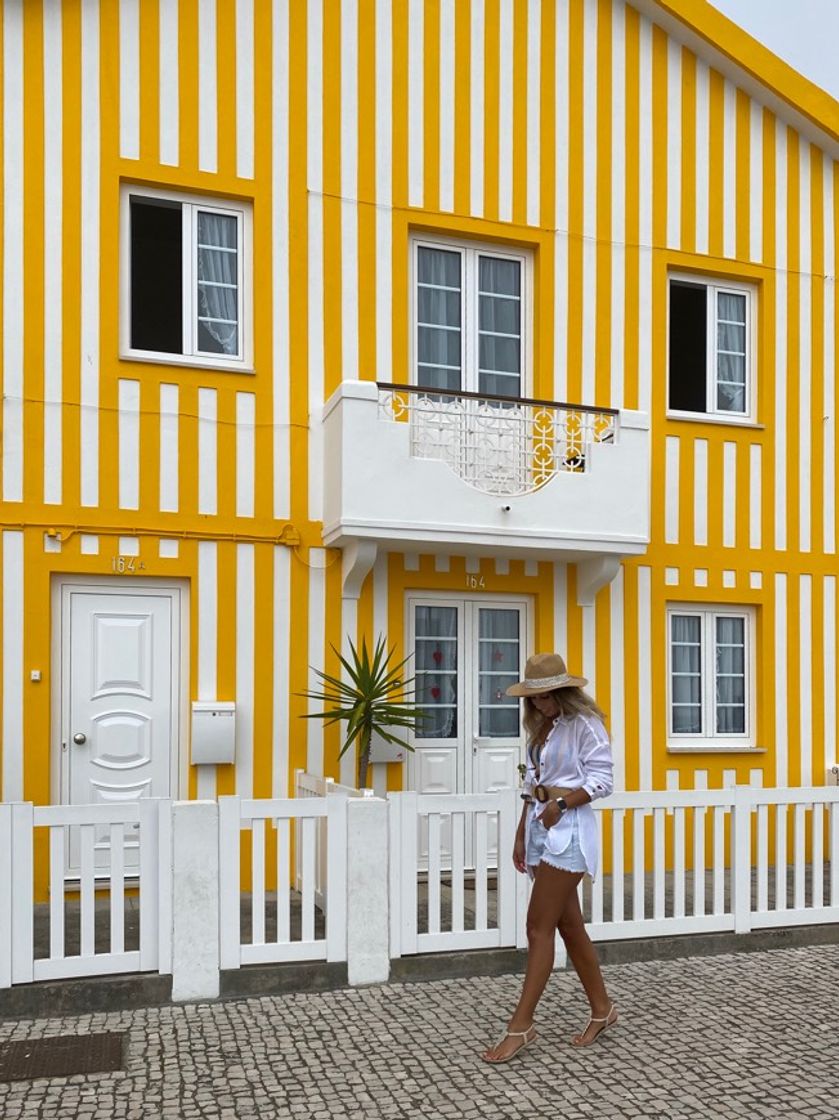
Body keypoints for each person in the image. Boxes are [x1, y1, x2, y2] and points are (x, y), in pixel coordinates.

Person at [481, 652, 617, 1063]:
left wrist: (561, 805)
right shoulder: (542, 731)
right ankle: (602, 1009)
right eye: (532, 698)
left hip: (569, 833)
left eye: (543, 696)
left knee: (537, 927)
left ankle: (521, 1025)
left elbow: (603, 780)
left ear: (562, 691)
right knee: (570, 926)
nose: (536, 704)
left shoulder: (585, 726)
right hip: (542, 829)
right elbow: (531, 783)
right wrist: (523, 832)